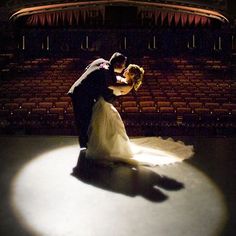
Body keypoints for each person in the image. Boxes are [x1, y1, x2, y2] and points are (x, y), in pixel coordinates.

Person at [84, 64, 194, 167]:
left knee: (105, 129)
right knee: (109, 130)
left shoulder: (127, 84)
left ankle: (105, 150)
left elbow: (109, 85)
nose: (125, 70)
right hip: (105, 104)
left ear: (132, 74)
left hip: (105, 104)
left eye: (127, 70)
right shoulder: (125, 81)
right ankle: (106, 148)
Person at [68, 52, 127, 149]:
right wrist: (116, 95)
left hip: (79, 90)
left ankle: (86, 144)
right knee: (85, 119)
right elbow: (106, 91)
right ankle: (87, 146)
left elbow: (87, 69)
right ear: (117, 64)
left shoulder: (101, 61)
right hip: (83, 94)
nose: (124, 67)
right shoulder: (108, 71)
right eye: (123, 64)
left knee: (84, 119)